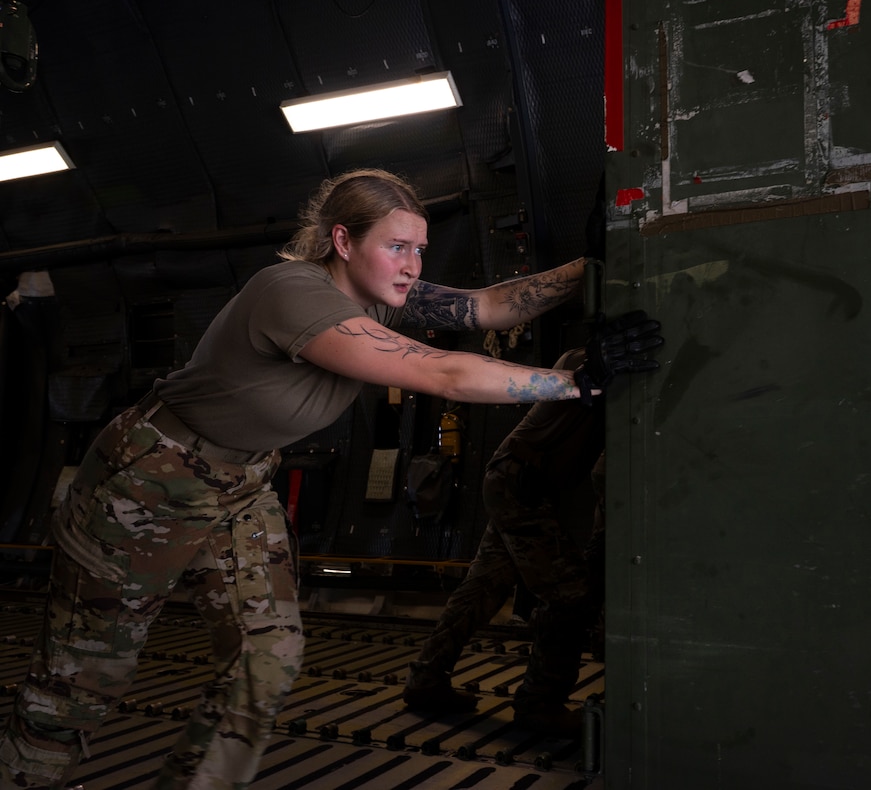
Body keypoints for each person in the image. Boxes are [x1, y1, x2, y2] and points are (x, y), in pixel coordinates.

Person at [0, 168, 661, 789]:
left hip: (237, 483)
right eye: (397, 247)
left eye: (420, 249)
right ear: (341, 241)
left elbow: (486, 308)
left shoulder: (381, 297)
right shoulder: (289, 292)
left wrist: (598, 259)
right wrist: (579, 382)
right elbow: (441, 373)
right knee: (78, 686)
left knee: (269, 656)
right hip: (147, 481)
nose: (412, 266)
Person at [402, 343, 636, 738]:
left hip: (516, 480)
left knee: (483, 588)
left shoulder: (599, 364)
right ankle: (540, 705)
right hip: (521, 483)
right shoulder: (590, 362)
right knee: (572, 597)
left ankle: (426, 678)